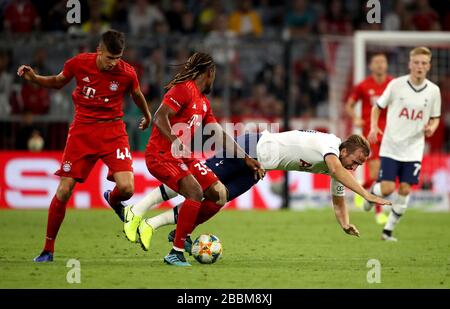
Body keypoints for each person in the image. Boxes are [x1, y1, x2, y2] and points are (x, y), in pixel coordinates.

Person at [123, 130, 392, 253]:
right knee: (194, 183)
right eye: (356, 161)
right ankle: (139, 207)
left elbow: (338, 199)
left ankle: (151, 224)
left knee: (218, 200)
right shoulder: (330, 146)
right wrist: (366, 195)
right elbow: (338, 172)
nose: (355, 167)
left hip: (259, 167)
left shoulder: (337, 167)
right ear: (344, 150)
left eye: (359, 165)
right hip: (250, 147)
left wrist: (345, 223)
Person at [17, 30, 152, 262]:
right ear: (99, 51)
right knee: (64, 189)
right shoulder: (79, 63)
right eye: (110, 58)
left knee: (128, 188)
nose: (114, 63)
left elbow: (136, 94)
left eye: (118, 58)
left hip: (113, 132)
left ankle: (113, 199)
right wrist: (35, 78)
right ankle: (48, 249)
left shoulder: (127, 73)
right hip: (82, 132)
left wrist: (147, 116)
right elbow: (59, 81)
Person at [126, 52, 263, 266]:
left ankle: (170, 231)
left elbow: (219, 134)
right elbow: (160, 117)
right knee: (195, 192)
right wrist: (174, 140)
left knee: (218, 194)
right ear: (209, 73)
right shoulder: (183, 90)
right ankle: (176, 251)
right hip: (161, 155)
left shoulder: (203, 102)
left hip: (182, 156)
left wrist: (246, 158)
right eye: (214, 75)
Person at [366, 46, 441, 241]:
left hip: (414, 149)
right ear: (410, 64)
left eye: (423, 63)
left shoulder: (434, 91)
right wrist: (374, 128)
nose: (419, 66)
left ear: (428, 66)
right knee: (388, 188)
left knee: (406, 189)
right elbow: (377, 107)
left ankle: (388, 231)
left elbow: (435, 117)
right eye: (416, 62)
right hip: (391, 145)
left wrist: (432, 127)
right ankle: (369, 195)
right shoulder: (396, 85)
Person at [345, 53, 394, 225]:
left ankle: (363, 187)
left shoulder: (393, 84)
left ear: (387, 65)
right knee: (376, 174)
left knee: (382, 175)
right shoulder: (363, 86)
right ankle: (379, 211)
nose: (380, 65)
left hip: (390, 134)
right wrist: (355, 118)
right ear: (371, 66)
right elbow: (349, 105)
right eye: (376, 62)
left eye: (383, 62)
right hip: (371, 134)